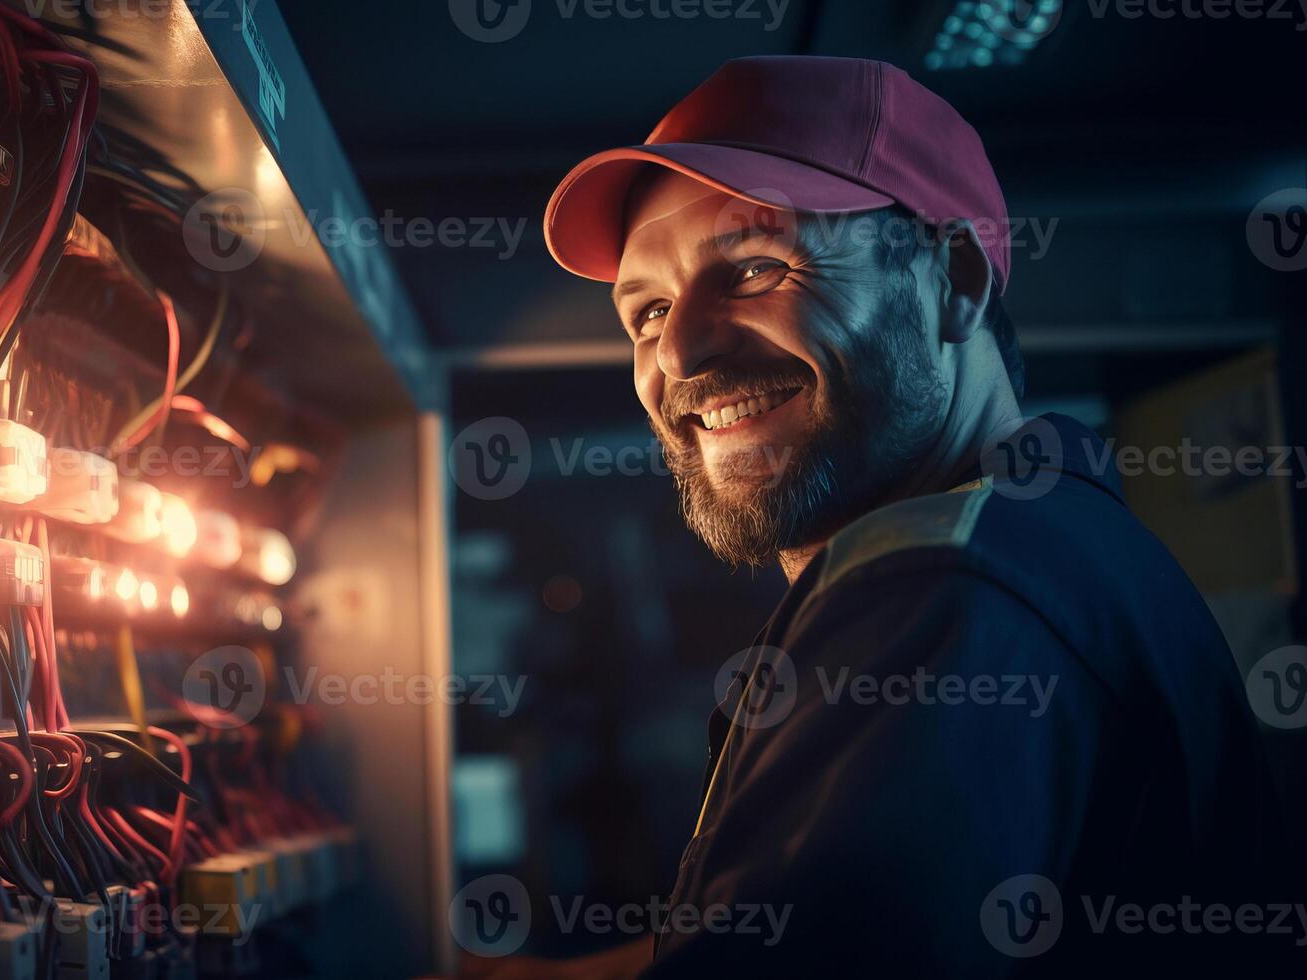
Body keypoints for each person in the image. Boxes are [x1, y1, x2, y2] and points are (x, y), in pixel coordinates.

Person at [485, 55, 1284, 977]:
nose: (680, 351)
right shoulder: (1050, 541)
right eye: (647, 310)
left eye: (753, 268)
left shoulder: (942, 577)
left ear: (951, 278)